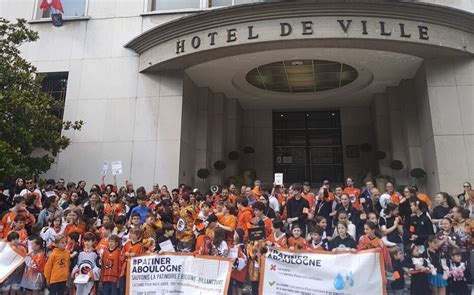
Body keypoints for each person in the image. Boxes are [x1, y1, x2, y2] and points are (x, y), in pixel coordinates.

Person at [119, 228, 144, 295]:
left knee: (132, 290)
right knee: (122, 289)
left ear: (138, 235)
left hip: (134, 272)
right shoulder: (127, 244)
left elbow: (143, 259)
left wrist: (135, 255)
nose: (131, 235)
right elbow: (121, 255)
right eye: (131, 233)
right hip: (124, 271)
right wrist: (125, 254)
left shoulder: (140, 246)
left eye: (133, 234)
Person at [229, 229, 247, 295]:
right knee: (233, 288)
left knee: (238, 289)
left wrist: (236, 260)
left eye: (235, 234)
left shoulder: (241, 246)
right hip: (234, 270)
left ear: (239, 236)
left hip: (240, 270)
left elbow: (245, 259)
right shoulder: (234, 245)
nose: (233, 236)